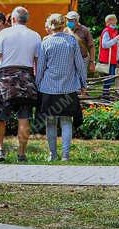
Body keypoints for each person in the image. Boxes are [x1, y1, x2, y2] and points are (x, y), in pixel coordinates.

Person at [0, 6, 41, 163]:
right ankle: (21, 153)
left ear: (12, 19)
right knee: (24, 119)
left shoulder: (3, 34)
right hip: (27, 81)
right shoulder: (36, 36)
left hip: (5, 81)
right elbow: (37, 63)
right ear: (27, 19)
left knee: (1, 118)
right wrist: (36, 82)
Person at [37, 13, 87, 162]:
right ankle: (65, 155)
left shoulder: (45, 43)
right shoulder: (71, 41)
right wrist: (83, 83)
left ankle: (52, 154)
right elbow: (80, 65)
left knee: (50, 122)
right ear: (63, 24)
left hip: (48, 88)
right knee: (66, 122)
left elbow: (40, 67)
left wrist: (37, 84)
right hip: (68, 88)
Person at [98, 14, 119, 94]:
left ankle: (106, 94)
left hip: (112, 59)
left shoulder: (114, 31)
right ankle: (105, 95)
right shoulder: (107, 31)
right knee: (109, 78)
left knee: (110, 78)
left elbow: (114, 44)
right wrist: (116, 39)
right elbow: (104, 45)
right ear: (110, 22)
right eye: (114, 20)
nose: (116, 21)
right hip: (107, 59)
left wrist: (118, 40)